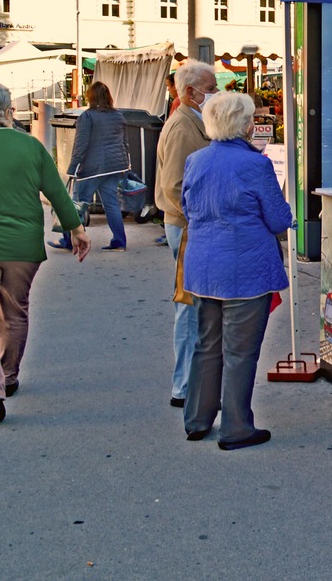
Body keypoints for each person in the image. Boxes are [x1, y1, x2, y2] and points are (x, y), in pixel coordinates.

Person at [0, 80, 90, 425]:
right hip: (20, 247)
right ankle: (8, 376)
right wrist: (77, 229)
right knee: (14, 311)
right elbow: (56, 192)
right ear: (8, 110)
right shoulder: (30, 147)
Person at [181, 92, 292, 450]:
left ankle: (197, 419)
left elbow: (187, 207)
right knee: (240, 352)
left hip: (203, 266)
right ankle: (236, 427)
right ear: (244, 125)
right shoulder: (255, 165)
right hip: (244, 269)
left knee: (206, 345)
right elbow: (277, 219)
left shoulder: (196, 160)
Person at [154, 59, 218, 409]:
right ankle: (183, 384)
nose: (215, 94)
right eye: (211, 89)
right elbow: (175, 186)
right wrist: (204, 218)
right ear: (190, 93)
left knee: (194, 307)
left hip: (189, 226)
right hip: (188, 227)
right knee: (190, 308)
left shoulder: (192, 120)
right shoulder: (182, 126)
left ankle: (189, 382)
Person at [52, 81, 128, 252]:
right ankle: (119, 242)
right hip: (114, 167)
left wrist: (72, 168)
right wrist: (124, 164)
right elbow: (125, 142)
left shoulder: (87, 117)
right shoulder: (118, 116)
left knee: (77, 204)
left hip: (92, 169)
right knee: (111, 204)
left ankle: (69, 240)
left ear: (91, 97)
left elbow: (81, 145)